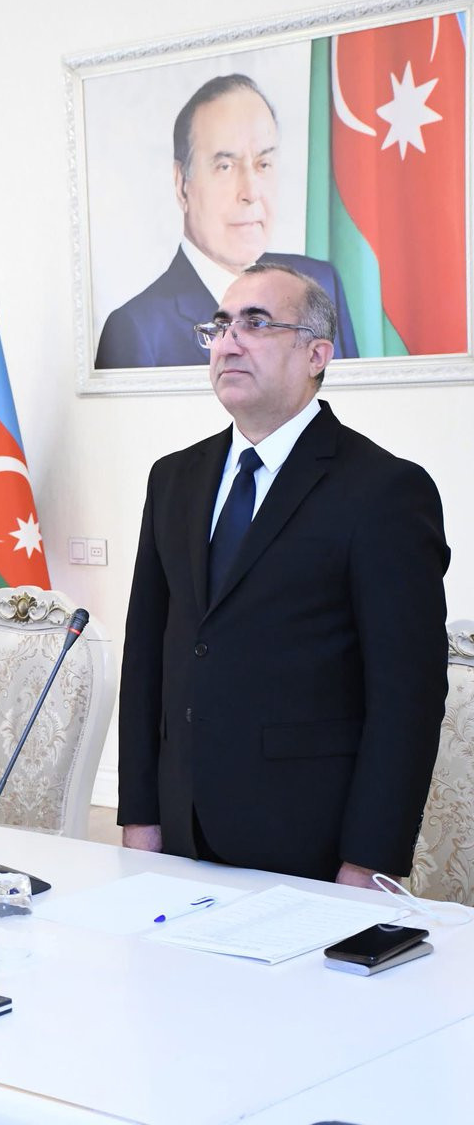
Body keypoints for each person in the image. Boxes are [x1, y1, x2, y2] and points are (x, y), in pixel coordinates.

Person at [117, 263, 448, 886]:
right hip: (181, 830)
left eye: (256, 323)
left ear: (316, 354)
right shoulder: (174, 479)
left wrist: (369, 861)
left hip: (309, 843)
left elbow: (408, 696)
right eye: (220, 326)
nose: (228, 342)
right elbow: (146, 661)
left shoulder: (384, 491)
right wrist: (140, 815)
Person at [95, 73, 359, 368]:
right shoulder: (137, 332)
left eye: (263, 164)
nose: (251, 192)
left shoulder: (320, 284)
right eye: (225, 166)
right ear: (182, 184)